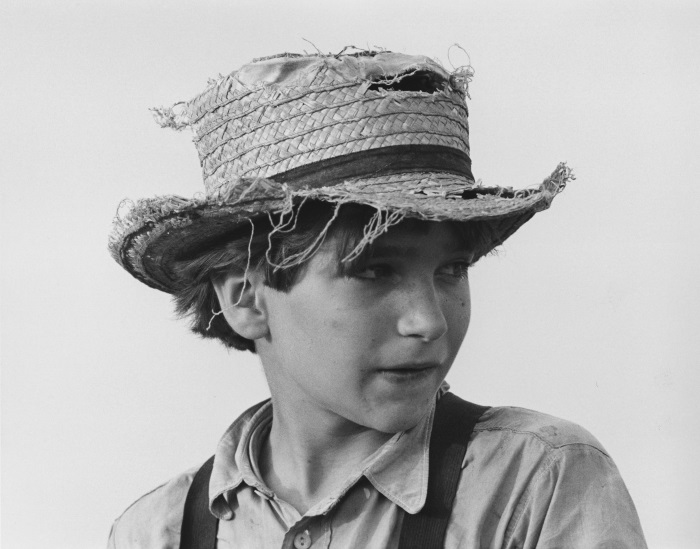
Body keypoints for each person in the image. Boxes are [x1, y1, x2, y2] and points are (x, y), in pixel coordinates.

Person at [107, 48, 647, 548]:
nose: (428, 322)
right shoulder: (159, 531)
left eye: (452, 269)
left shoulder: (535, 482)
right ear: (246, 299)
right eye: (374, 270)